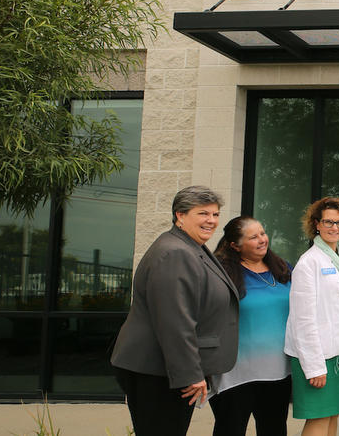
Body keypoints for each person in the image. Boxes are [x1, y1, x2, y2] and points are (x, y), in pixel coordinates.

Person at [110, 186, 238, 436]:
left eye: (215, 214)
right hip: (158, 371)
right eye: (203, 214)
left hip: (165, 369)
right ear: (180, 215)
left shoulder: (191, 246)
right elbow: (175, 322)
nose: (211, 221)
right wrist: (190, 374)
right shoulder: (175, 252)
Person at [285, 197, 339, 436]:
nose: (335, 227)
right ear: (316, 224)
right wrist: (314, 367)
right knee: (318, 418)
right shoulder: (309, 262)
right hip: (317, 354)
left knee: (332, 414)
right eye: (328, 222)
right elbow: (303, 319)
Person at [210, 216, 293, 436]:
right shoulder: (221, 274)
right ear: (234, 245)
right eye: (253, 237)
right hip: (235, 372)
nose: (262, 240)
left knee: (274, 430)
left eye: (263, 233)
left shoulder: (283, 269)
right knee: (230, 430)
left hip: (278, 371)